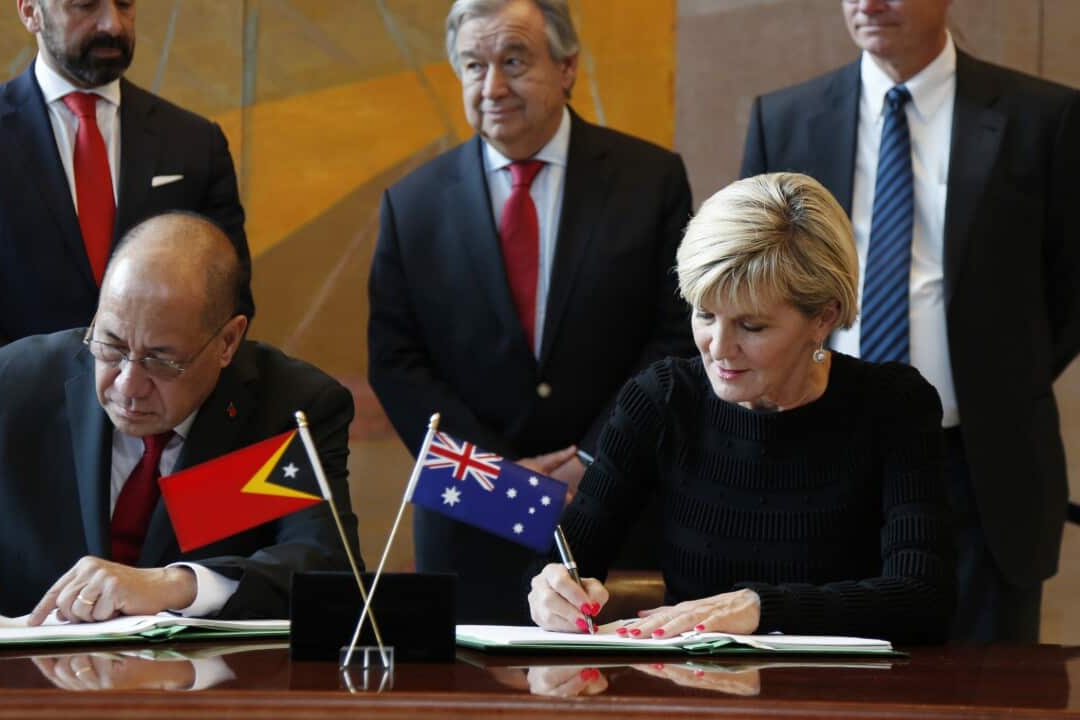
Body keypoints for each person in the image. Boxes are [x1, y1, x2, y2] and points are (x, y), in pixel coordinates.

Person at [739, 0, 1080, 643]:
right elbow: (753, 290)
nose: (868, 3)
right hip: (821, 457)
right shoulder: (784, 120)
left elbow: (1068, 291)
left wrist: (995, 376)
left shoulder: (1043, 118)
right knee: (827, 685)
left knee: (988, 696)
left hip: (979, 468)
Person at [0, 212, 358, 625]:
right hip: (33, 695)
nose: (126, 385)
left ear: (228, 341)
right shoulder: (15, 387)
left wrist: (172, 585)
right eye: (111, 345)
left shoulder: (289, 407)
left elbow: (325, 568)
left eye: (162, 360)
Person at [368, 0, 694, 624]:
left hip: (614, 501)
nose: (492, 87)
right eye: (473, 65)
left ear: (567, 66)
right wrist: (496, 477)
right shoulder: (411, 206)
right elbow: (395, 362)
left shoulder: (650, 180)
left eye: (514, 61)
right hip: (469, 510)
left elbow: (675, 339)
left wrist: (592, 460)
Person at [528, 173, 954, 644]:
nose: (719, 348)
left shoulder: (894, 405)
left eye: (751, 326)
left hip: (844, 698)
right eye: (705, 315)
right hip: (691, 696)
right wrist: (552, 591)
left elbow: (923, 598)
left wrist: (758, 606)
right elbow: (568, 559)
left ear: (824, 317)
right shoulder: (661, 399)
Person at [0, 0, 250, 409]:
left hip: (161, 426)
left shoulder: (196, 143)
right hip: (14, 429)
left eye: (125, 5)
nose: (112, 24)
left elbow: (228, 294)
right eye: (85, 5)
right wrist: (55, 411)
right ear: (30, 11)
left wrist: (149, 395)